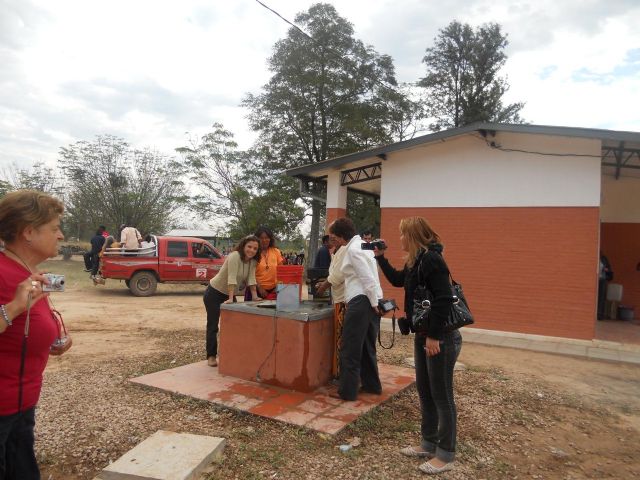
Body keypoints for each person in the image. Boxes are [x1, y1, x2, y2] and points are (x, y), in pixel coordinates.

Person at [374, 216, 461, 475]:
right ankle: (428, 443)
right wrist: (380, 257)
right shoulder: (417, 261)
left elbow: (445, 298)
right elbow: (399, 280)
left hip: (440, 337)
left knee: (442, 396)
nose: (399, 238)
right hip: (424, 335)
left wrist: (434, 336)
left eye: (403, 234)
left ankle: (445, 455)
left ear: (413, 236)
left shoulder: (432, 260)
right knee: (425, 391)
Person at [0, 189, 69, 479]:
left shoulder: (30, 272)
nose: (61, 235)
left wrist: (53, 339)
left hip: (20, 403)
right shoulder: (3, 272)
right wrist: (14, 307)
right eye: (54, 228)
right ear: (28, 232)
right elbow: (15, 312)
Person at [328, 217, 383, 401]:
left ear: (340, 235)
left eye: (334, 236)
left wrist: (374, 302)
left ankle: (347, 391)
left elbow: (366, 276)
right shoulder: (363, 245)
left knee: (350, 346)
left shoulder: (352, 249)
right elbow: (373, 273)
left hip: (361, 300)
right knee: (367, 346)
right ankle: (372, 385)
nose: (333, 239)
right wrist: (376, 300)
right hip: (370, 299)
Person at [203, 235, 262, 367]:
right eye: (249, 247)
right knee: (213, 325)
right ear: (243, 246)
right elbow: (232, 277)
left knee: (232, 325)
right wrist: (231, 298)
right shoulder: (235, 255)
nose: (251, 250)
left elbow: (251, 278)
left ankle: (228, 353)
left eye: (255, 248)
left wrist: (255, 296)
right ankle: (211, 356)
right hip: (214, 293)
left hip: (228, 294)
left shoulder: (253, 261)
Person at [315, 233, 348, 379]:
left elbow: (337, 276)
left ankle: (341, 374)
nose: (333, 239)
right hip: (338, 298)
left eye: (335, 235)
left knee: (342, 339)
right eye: (331, 236)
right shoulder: (334, 251)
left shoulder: (345, 251)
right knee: (338, 338)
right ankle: (338, 371)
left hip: (343, 299)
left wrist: (323, 286)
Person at [254, 226, 284, 300]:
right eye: (261, 238)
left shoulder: (276, 251)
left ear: (270, 239)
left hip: (275, 290)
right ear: (257, 239)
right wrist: (259, 287)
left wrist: (278, 286)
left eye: (267, 237)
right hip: (256, 290)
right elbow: (250, 273)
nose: (264, 240)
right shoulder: (253, 252)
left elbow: (282, 271)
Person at [598, 251, 613, 320]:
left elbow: (609, 268)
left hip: (602, 279)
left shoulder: (604, 259)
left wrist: (607, 269)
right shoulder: (593, 257)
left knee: (601, 297)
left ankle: (600, 315)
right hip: (595, 280)